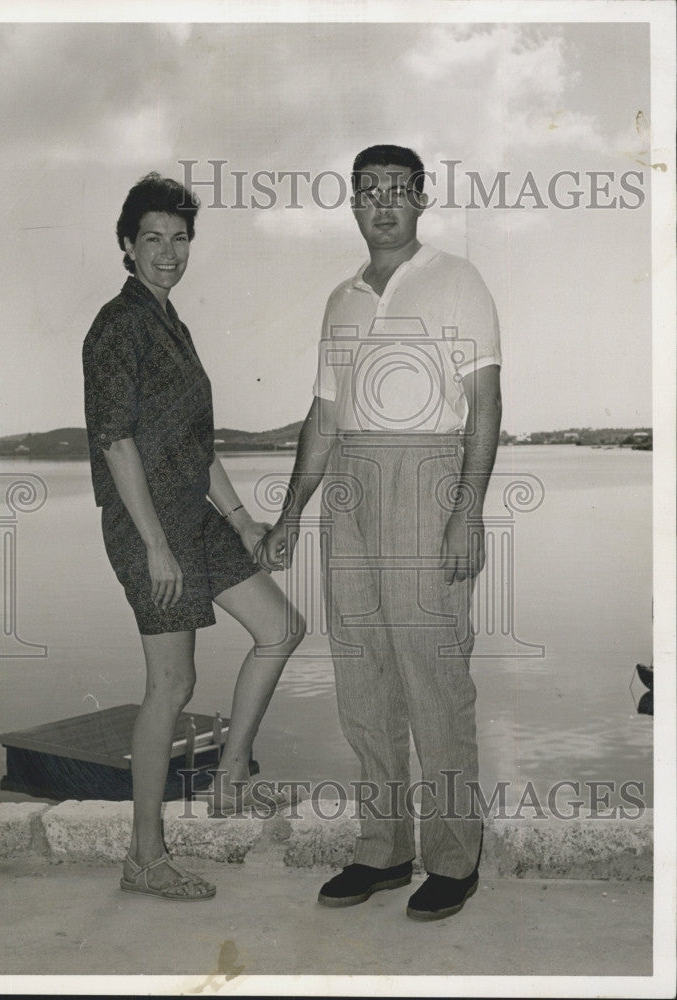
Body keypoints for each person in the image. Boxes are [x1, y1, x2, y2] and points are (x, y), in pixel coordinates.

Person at [256, 144, 502, 920]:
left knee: (434, 676)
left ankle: (454, 860)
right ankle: (383, 849)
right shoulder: (340, 299)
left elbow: (486, 406)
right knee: (362, 676)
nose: (384, 204)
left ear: (422, 199)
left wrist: (467, 513)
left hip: (428, 480)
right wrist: (291, 514)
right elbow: (324, 416)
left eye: (399, 190)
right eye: (369, 192)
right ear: (353, 204)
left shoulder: (458, 278)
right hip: (352, 488)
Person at [83, 173, 305, 901]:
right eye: (154, 239)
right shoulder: (118, 327)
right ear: (127, 245)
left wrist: (241, 520)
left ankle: (232, 770)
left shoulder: (171, 322)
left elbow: (194, 443)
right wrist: (152, 544)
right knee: (172, 684)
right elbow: (117, 444)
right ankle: (145, 857)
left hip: (196, 518)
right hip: (148, 524)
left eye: (180, 239)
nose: (169, 252)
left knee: (280, 626)